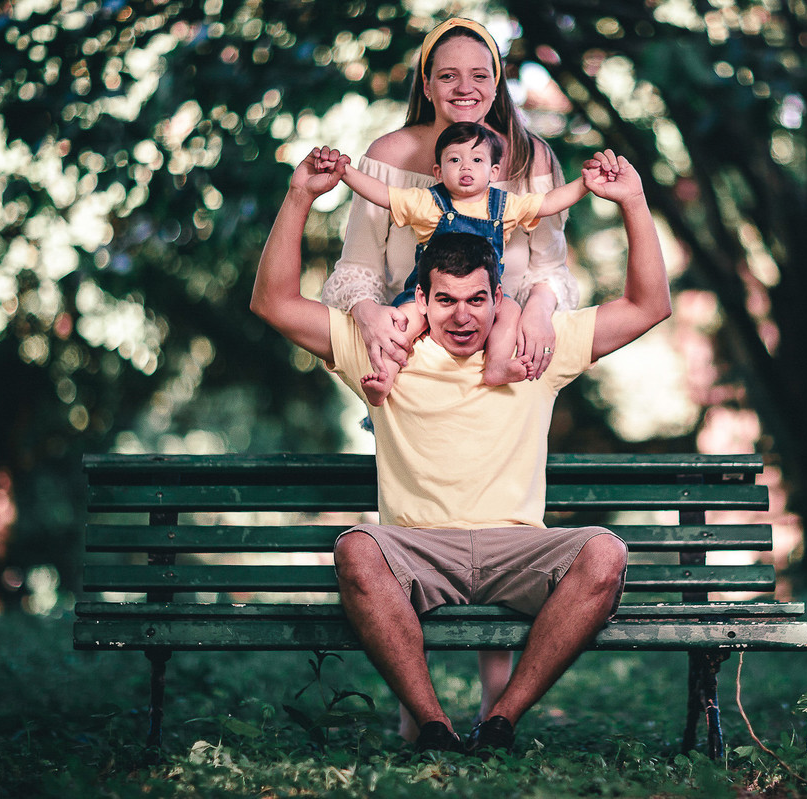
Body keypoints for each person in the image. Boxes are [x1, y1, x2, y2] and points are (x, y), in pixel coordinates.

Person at [250, 145, 671, 755]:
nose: (463, 316)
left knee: (605, 554)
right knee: (356, 551)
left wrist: (632, 200)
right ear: (421, 298)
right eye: (445, 300)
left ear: (497, 296)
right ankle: (434, 725)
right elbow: (274, 303)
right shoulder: (387, 351)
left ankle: (501, 719)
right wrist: (299, 197)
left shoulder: (535, 346)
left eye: (477, 299)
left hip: (516, 547)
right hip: (417, 548)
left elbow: (649, 306)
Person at [317, 16, 577, 736]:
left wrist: (542, 313)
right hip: (415, 353)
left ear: (498, 83)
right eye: (448, 75)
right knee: (421, 518)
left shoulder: (528, 157)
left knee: (498, 514)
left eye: (480, 75)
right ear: (426, 83)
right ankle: (417, 707)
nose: (465, 89)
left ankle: (498, 706)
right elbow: (355, 273)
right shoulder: (392, 157)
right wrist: (371, 317)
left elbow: (554, 266)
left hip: (507, 346)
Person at [331, 121, 593, 402]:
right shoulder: (427, 203)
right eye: (455, 159)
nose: (466, 167)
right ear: (438, 171)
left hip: (482, 298)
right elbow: (383, 195)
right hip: (428, 295)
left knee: (511, 311)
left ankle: (497, 364)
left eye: (476, 159)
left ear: (493, 171)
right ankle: (385, 379)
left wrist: (585, 184)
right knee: (400, 328)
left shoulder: (506, 206)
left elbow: (549, 203)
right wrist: (345, 173)